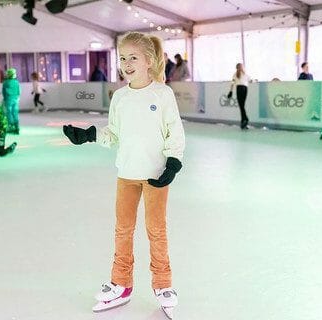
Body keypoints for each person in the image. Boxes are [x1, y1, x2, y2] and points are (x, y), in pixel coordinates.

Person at [63, 32, 185, 318]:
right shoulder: (120, 96)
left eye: (133, 57)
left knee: (156, 231)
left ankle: (163, 284)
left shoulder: (163, 94)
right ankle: (121, 283)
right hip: (127, 173)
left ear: (149, 61)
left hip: (156, 175)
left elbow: (175, 133)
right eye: (123, 58)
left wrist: (173, 164)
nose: (127, 63)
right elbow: (114, 133)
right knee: (122, 230)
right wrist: (88, 135)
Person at [227, 63, 253, 129]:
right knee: (242, 106)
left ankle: (245, 119)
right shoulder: (245, 74)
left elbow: (232, 83)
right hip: (245, 89)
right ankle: (243, 122)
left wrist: (231, 91)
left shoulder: (235, 75)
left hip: (239, 89)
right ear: (242, 67)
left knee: (241, 106)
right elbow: (251, 81)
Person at [2, 68, 21, 134]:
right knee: (15, 112)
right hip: (15, 99)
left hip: (8, 99)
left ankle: (10, 126)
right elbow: (19, 91)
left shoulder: (5, 83)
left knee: (9, 113)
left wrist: (4, 99)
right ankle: (17, 126)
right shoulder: (16, 82)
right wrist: (17, 98)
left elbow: (3, 92)